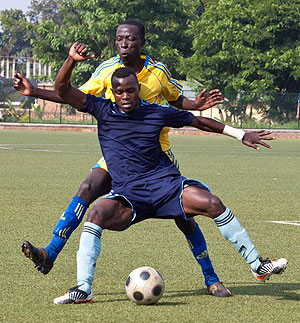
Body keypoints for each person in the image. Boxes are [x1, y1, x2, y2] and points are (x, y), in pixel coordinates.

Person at [51, 43, 287, 304]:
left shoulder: (156, 112)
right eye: (120, 92)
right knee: (95, 215)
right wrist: (71, 60)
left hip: (167, 187)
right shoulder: (102, 109)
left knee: (212, 203)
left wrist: (241, 134)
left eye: (131, 90)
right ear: (113, 93)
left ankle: (257, 265)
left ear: (138, 89)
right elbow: (62, 90)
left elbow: (198, 121)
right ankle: (84, 289)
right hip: (129, 195)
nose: (126, 95)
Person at [15, 20, 229, 297]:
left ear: (142, 42)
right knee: (87, 188)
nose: (124, 43)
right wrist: (34, 92)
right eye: (119, 39)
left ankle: (211, 278)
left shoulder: (158, 71)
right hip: (118, 155)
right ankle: (50, 253)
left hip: (157, 158)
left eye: (130, 39)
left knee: (185, 218)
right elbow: (70, 94)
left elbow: (176, 100)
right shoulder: (107, 71)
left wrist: (196, 105)